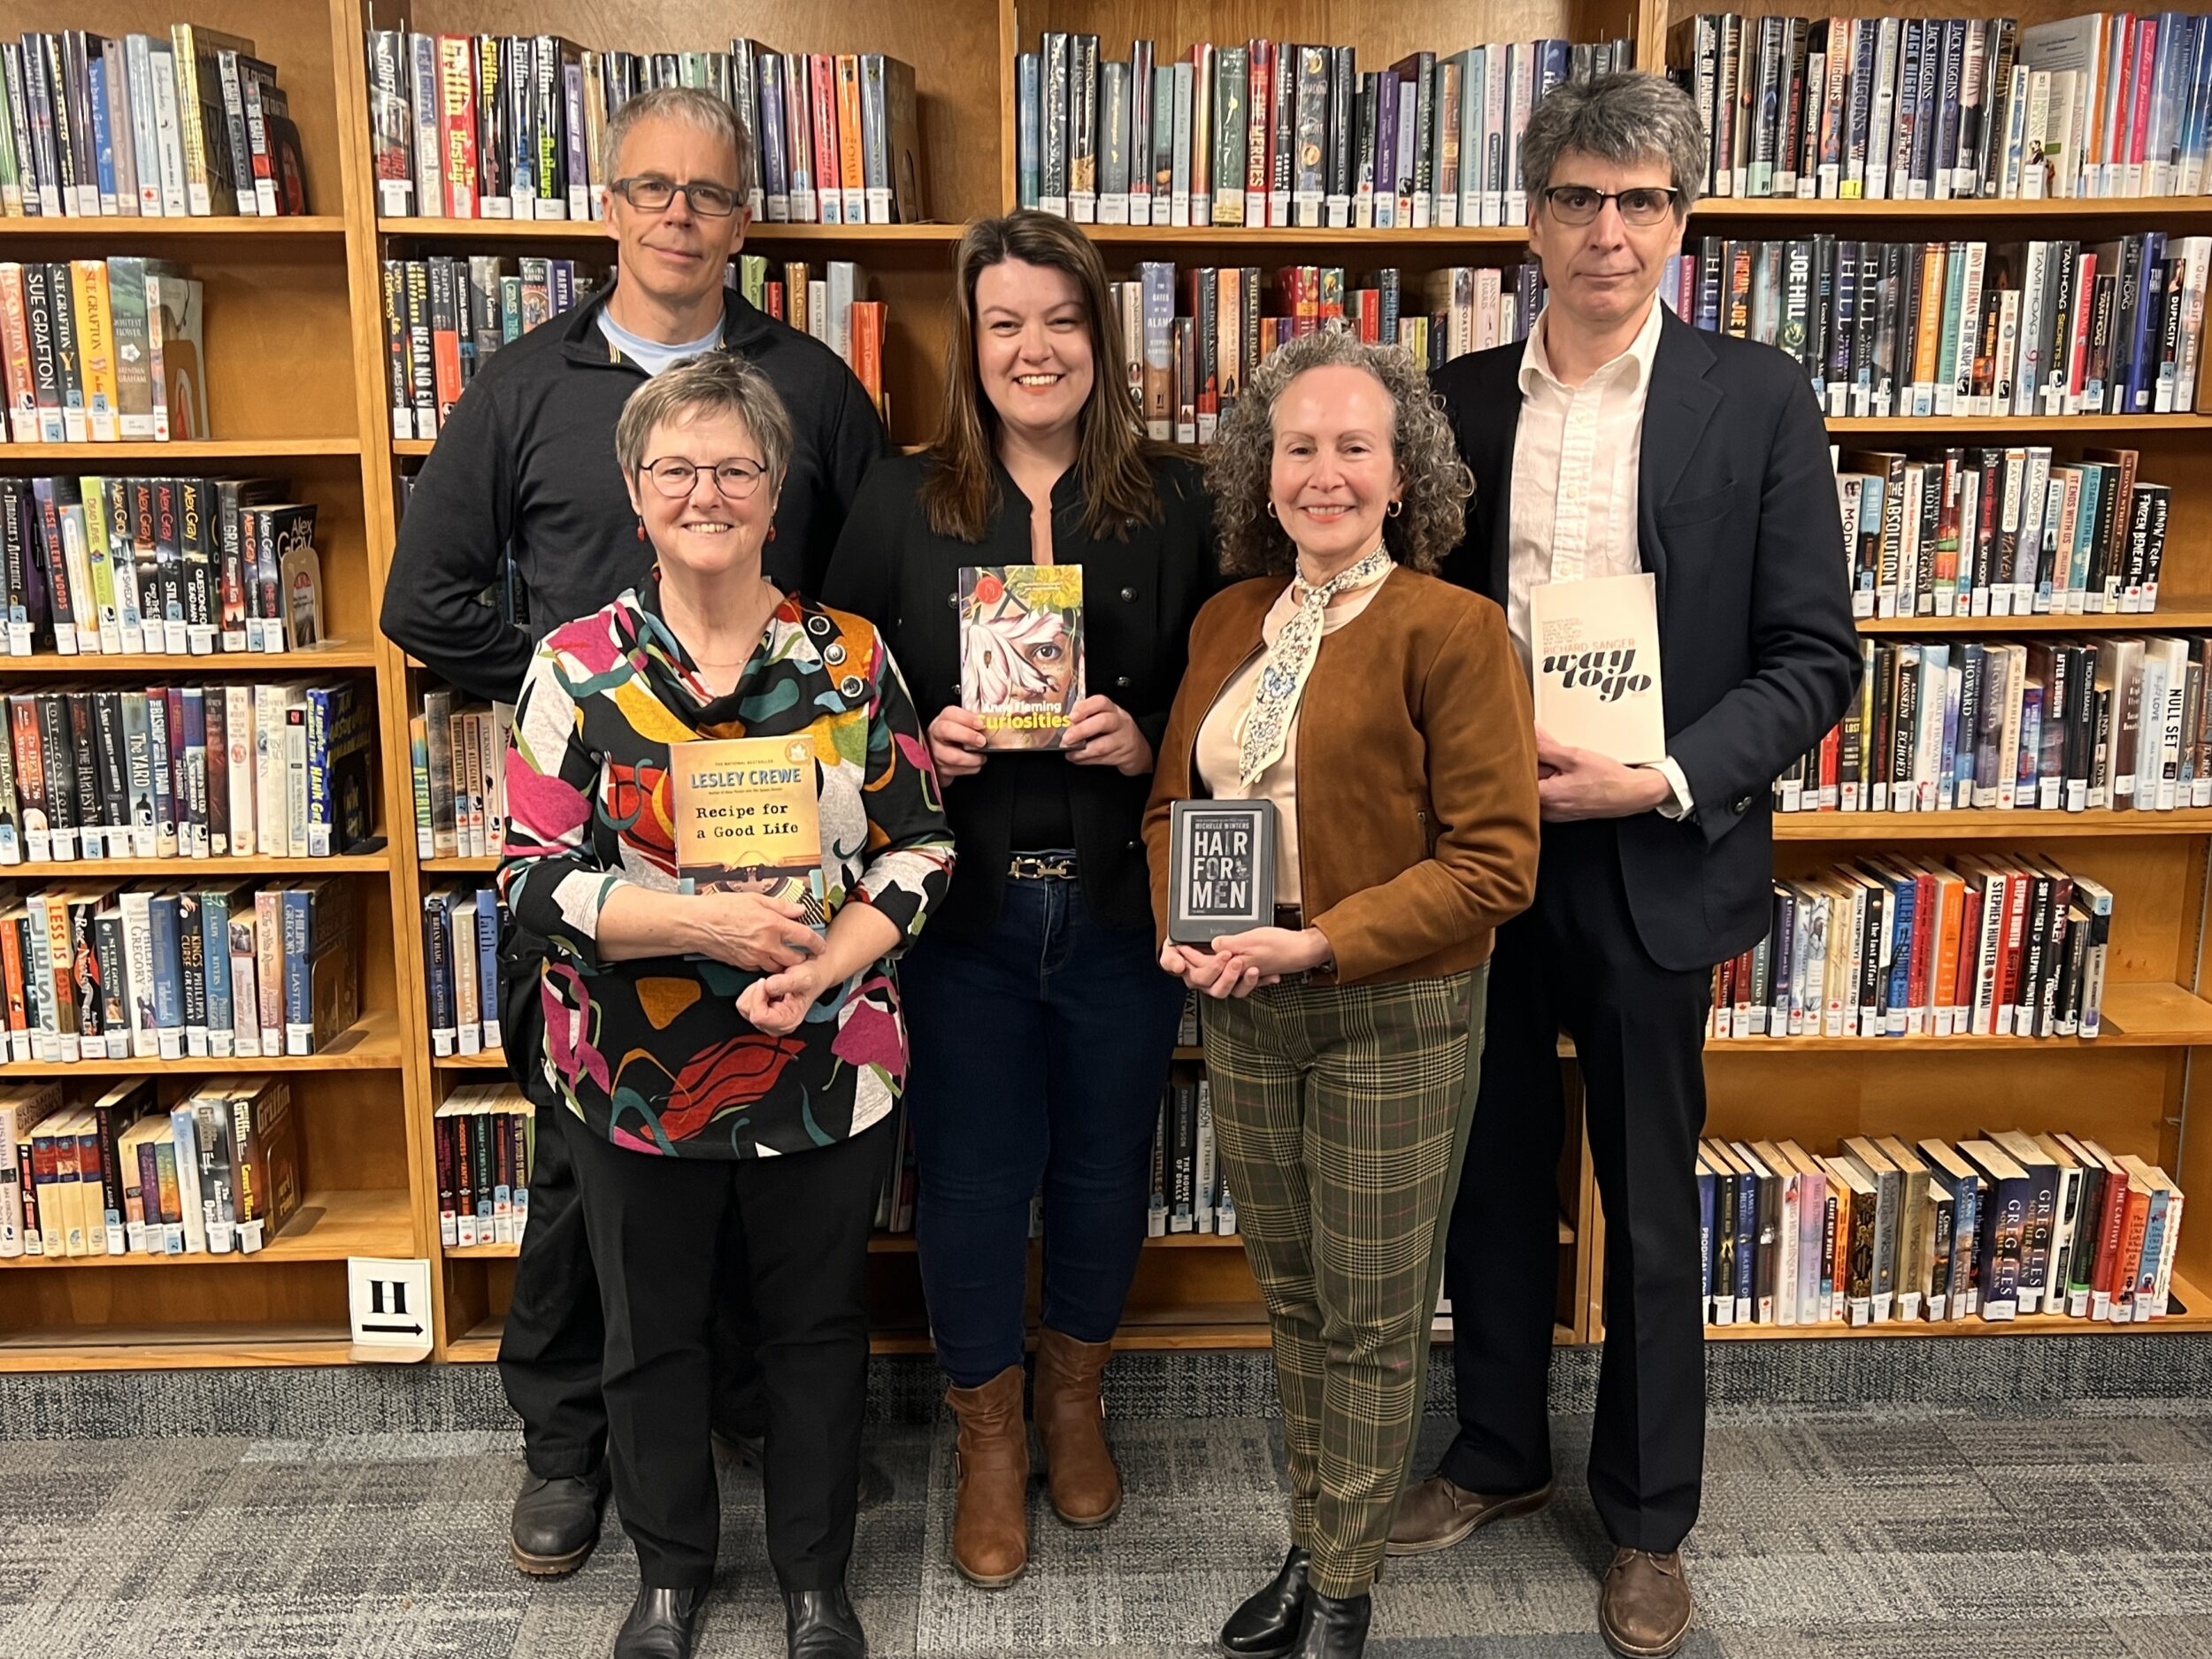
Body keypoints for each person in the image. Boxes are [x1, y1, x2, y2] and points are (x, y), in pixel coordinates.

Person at [377, 83, 888, 1580]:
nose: (679, 214)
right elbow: (423, 600)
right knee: (580, 1177)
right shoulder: (526, 383)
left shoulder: (808, 382)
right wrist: (588, 695)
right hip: (603, 871)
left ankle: (741, 1420)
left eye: (709, 192)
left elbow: (866, 586)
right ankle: (565, 1445)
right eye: (652, 188)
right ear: (609, 206)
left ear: (745, 220)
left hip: (785, 863)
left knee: (749, 1166)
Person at [1390, 73, 1861, 1659]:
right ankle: (1497, 1452)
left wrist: (1658, 776)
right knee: (1489, 1171)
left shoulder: (1758, 397)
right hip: (1485, 852)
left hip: (1658, 848)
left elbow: (1814, 656)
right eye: (1581, 198)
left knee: (1653, 1199)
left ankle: (1651, 1518)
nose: (1610, 230)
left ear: (1682, 221)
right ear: (1532, 220)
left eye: (1643, 201)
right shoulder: (1454, 401)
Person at [498, 353, 952, 1659]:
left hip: (825, 1057)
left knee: (816, 1331)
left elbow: (921, 847)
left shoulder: (849, 662)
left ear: (777, 488)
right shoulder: (574, 670)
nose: (707, 493)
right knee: (652, 1338)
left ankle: (817, 1580)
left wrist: (830, 960)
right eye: (678, 470)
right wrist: (702, 924)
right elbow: (531, 880)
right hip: (631, 1073)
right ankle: (669, 1575)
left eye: (736, 468)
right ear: (635, 492)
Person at [820, 211, 1215, 1589]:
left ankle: (1072, 1399)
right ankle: (988, 1437)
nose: (1034, 347)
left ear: (1099, 336)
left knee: (1106, 1169)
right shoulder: (897, 501)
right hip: (962, 918)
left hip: (1119, 907)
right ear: (970, 344)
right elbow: (834, 704)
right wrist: (918, 745)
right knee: (975, 1182)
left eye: (1061, 319)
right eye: (1005, 323)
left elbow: (1246, 692)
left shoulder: (1179, 501)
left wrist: (1151, 738)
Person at [1142, 329, 1540, 1659]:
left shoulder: (1455, 630)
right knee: (1296, 1300)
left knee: (1372, 1313)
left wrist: (1318, 944)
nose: (1325, 473)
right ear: (1263, 474)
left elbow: (1494, 866)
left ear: (1401, 472)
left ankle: (1344, 1587)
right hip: (1244, 1001)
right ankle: (1319, 1545)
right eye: (1299, 447)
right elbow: (1171, 807)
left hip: (1394, 1008)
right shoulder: (1225, 621)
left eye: (1354, 447)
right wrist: (1186, 929)